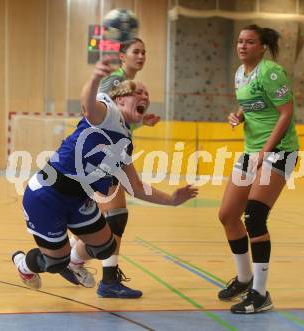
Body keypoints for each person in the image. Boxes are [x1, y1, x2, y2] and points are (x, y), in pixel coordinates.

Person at [11, 57, 198, 293]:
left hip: (78, 200)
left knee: (105, 246)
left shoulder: (125, 141)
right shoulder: (108, 112)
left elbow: (136, 187)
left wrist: (171, 200)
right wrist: (95, 77)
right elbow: (89, 105)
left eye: (147, 96)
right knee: (55, 262)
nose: (145, 98)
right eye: (138, 92)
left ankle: (74, 262)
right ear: (120, 98)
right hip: (48, 195)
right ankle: (23, 265)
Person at [64, 38, 161, 298]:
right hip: (100, 154)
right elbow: (95, 111)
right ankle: (102, 276)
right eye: (135, 51)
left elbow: (120, 118)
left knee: (112, 216)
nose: (141, 56)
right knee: (115, 215)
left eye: (144, 52)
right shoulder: (115, 81)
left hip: (110, 153)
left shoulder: (133, 87)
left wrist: (142, 121)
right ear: (122, 56)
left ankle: (69, 260)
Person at [217, 24, 299, 314]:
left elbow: (286, 112)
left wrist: (266, 151)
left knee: (254, 217)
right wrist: (238, 115)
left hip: (279, 151)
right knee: (227, 215)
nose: (242, 46)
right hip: (253, 152)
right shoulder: (240, 74)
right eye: (240, 41)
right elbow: (253, 103)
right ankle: (243, 279)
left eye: (249, 42)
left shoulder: (271, 71)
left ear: (262, 47)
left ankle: (261, 294)